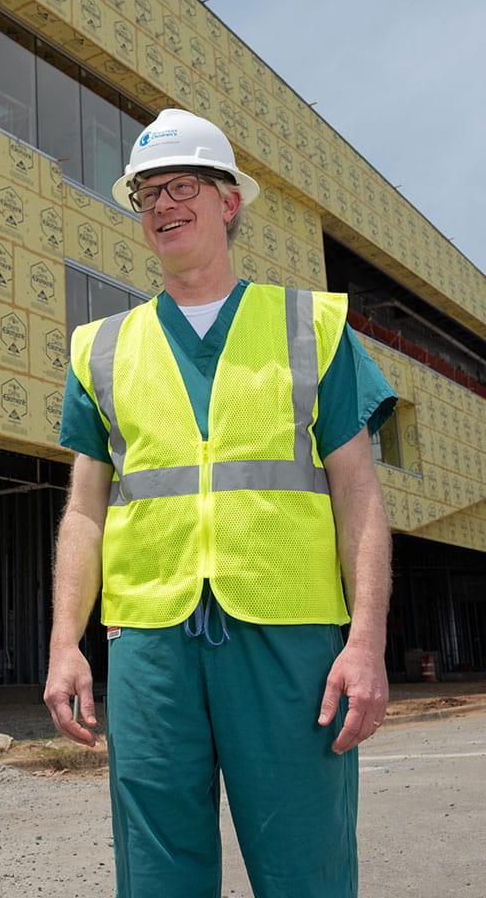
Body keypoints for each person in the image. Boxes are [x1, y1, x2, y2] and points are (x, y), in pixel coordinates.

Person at [43, 109, 395, 898]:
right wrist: (67, 642)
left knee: (307, 865)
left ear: (229, 201)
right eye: (146, 194)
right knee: (157, 871)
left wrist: (366, 642)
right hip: (150, 641)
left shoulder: (312, 327)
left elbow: (359, 495)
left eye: (181, 186)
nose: (162, 205)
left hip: (292, 637)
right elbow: (83, 511)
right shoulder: (100, 348)